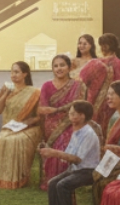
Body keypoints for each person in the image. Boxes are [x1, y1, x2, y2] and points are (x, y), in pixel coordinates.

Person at [42, 100, 102, 205]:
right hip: (76, 169)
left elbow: (77, 158)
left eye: (73, 114)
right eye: (70, 113)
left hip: (88, 171)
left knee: (63, 185)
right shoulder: (77, 131)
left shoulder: (88, 134)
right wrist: (51, 152)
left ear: (82, 116)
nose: (70, 116)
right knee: (52, 183)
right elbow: (69, 154)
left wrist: (54, 153)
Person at [36, 54, 87, 189]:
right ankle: (50, 180)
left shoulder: (78, 85)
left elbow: (80, 107)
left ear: (69, 67)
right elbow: (42, 108)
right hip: (51, 123)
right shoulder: (47, 85)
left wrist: (58, 110)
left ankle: (66, 181)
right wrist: (52, 111)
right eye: (56, 66)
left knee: (65, 143)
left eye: (62, 65)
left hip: (72, 122)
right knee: (57, 143)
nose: (59, 68)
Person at [0, 62, 42, 189]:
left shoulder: (34, 92)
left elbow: (39, 116)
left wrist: (25, 123)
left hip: (29, 127)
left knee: (15, 140)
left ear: (25, 74)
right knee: (1, 139)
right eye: (12, 72)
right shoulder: (6, 89)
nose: (13, 75)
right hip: (9, 128)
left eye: (17, 72)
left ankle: (18, 179)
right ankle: (2, 179)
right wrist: (5, 94)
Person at [72, 34, 111, 119]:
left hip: (91, 94)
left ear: (91, 45)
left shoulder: (97, 61)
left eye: (85, 44)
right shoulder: (74, 61)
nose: (81, 46)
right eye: (80, 43)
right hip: (76, 94)